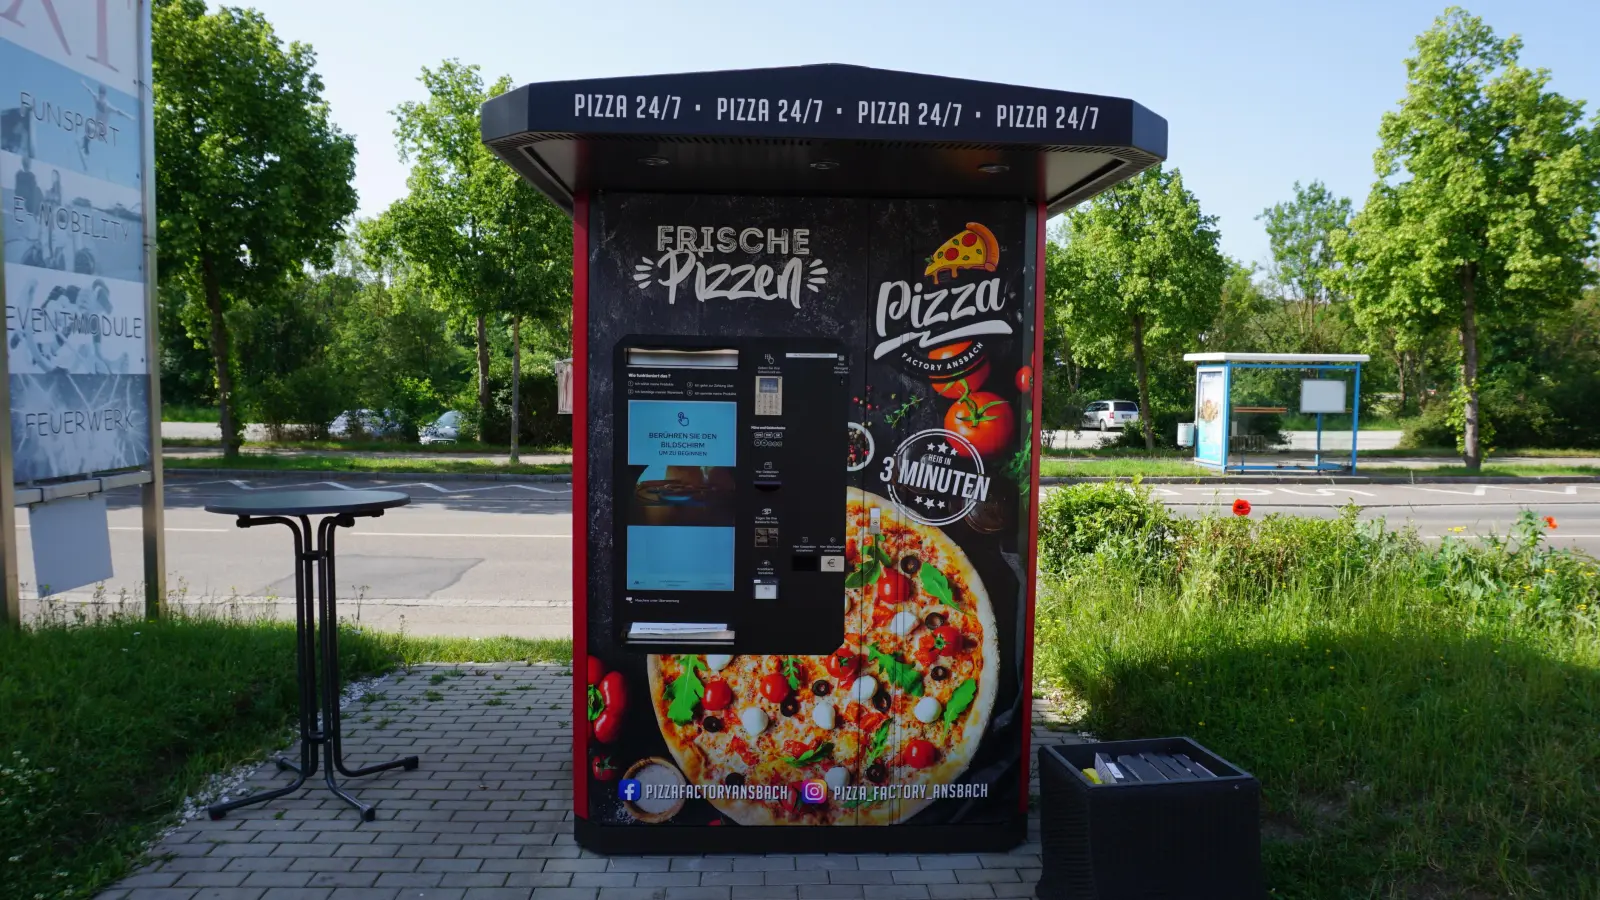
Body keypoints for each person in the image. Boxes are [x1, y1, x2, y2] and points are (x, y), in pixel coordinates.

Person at [78, 80, 132, 170]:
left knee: (91, 127)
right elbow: (90, 91)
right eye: (100, 94)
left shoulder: (107, 106)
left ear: (104, 95)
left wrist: (129, 117)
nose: (100, 97)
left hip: (103, 132)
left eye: (102, 95)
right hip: (96, 129)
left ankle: (85, 146)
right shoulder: (96, 98)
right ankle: (85, 148)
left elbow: (118, 111)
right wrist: (84, 84)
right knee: (88, 125)